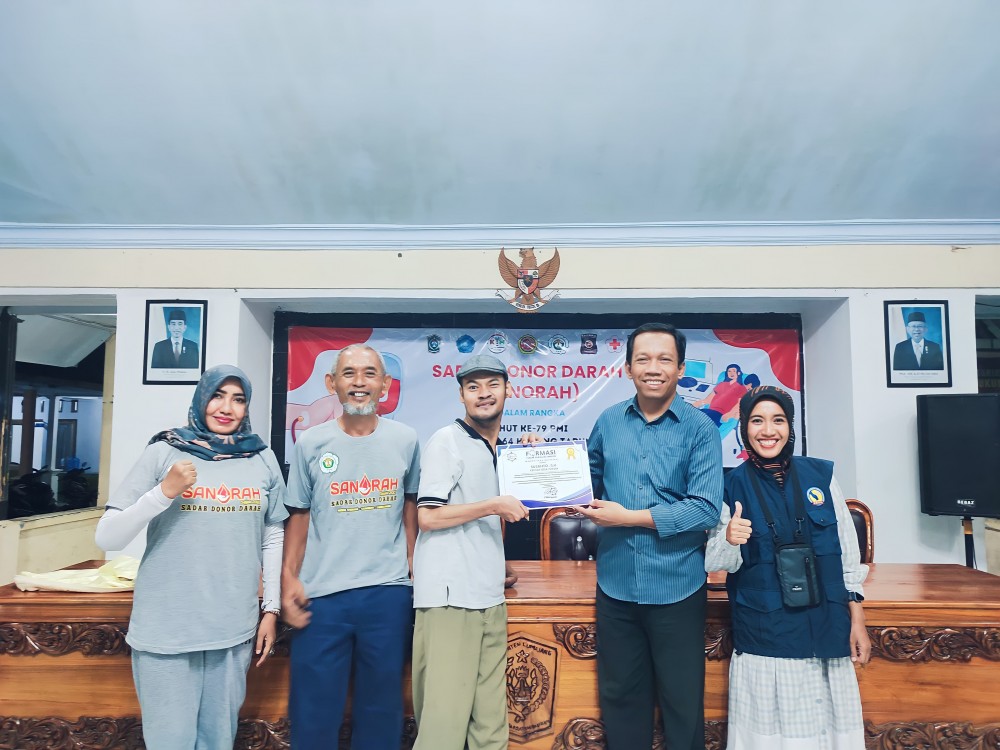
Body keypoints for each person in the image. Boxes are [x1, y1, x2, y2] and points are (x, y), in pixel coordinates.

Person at [94, 365, 287, 750]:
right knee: (171, 741)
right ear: (201, 399)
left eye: (238, 399)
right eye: (217, 395)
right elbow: (107, 535)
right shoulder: (164, 451)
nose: (226, 408)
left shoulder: (261, 458)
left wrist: (271, 608)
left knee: (218, 739)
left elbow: (273, 534)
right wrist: (163, 493)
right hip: (167, 628)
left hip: (232, 628)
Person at [578, 322, 723, 750]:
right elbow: (584, 482)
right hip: (616, 584)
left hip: (677, 586)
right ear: (628, 368)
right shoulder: (609, 421)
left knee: (682, 704)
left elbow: (705, 509)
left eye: (664, 359)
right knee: (621, 699)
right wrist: (540, 457)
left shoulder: (700, 428)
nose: (653, 368)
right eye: (643, 359)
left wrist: (630, 518)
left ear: (680, 368)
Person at [705, 385, 871, 748]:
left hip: (826, 627)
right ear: (744, 428)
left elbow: (847, 552)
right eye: (757, 421)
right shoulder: (728, 486)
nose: (768, 431)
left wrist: (857, 618)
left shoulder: (821, 477)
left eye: (778, 420)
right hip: (767, 634)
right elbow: (714, 561)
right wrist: (730, 538)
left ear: (790, 426)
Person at [281, 344, 420, 750]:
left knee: (381, 711)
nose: (359, 382)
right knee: (312, 713)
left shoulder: (406, 439)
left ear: (385, 384)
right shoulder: (310, 443)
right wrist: (288, 578)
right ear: (332, 383)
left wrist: (414, 561)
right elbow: (300, 515)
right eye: (349, 373)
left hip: (388, 593)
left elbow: (410, 506)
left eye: (369, 373)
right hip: (322, 596)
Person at [410, 353, 529, 750]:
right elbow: (428, 516)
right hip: (450, 598)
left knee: (490, 727)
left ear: (508, 390)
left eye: (493, 384)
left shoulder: (495, 449)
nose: (484, 393)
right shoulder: (446, 441)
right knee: (443, 728)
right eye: (473, 387)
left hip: (488, 596)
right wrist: (493, 505)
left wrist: (533, 455)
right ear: (461, 395)